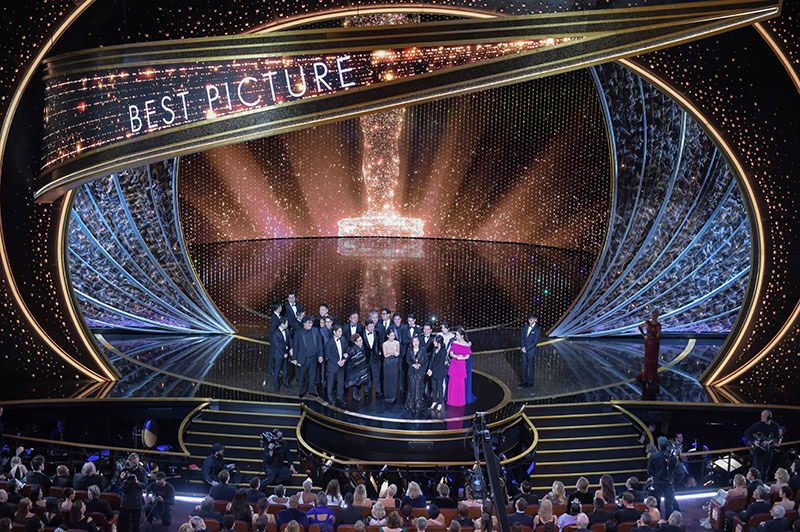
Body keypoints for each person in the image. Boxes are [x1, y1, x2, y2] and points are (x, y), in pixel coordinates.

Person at [745, 410, 781, 481]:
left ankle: (762, 485)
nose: (761, 417)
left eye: (763, 416)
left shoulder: (775, 425)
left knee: (765, 469)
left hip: (768, 450)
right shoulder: (758, 424)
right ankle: (754, 485)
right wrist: (754, 441)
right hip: (758, 450)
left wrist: (770, 441)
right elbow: (747, 432)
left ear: (769, 417)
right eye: (761, 415)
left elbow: (777, 438)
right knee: (756, 469)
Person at [648, 437, 679, 517]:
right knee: (669, 503)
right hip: (669, 482)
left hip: (658, 482)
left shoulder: (654, 456)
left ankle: (657, 518)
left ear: (658, 445)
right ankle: (668, 520)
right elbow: (674, 468)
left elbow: (649, 470)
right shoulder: (671, 456)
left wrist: (655, 475)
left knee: (656, 502)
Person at [293, 316, 322, 398]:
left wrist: (320, 355)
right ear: (304, 324)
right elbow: (296, 346)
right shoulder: (298, 333)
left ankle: (312, 391)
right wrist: (294, 358)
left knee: (312, 375)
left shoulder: (316, 330)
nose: (311, 324)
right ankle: (302, 391)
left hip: (313, 358)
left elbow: (320, 344)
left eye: (311, 323)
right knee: (302, 376)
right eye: (309, 323)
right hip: (303, 358)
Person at [637, 310, 661, 398]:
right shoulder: (647, 323)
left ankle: (652, 376)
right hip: (649, 342)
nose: (654, 316)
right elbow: (639, 327)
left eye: (656, 314)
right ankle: (647, 376)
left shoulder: (658, 325)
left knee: (654, 360)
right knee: (647, 359)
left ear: (657, 316)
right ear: (651, 315)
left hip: (655, 343)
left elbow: (658, 335)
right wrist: (644, 335)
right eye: (653, 314)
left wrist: (656, 335)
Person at [119, 453, 147, 532]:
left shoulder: (142, 471)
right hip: (126, 500)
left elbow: (145, 485)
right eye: (133, 462)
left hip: (137, 501)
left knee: (136, 523)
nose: (135, 464)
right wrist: (122, 479)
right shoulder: (125, 470)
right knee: (126, 523)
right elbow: (120, 486)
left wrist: (137, 482)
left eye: (136, 462)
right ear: (129, 461)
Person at [446, 328, 471, 407]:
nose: (455, 336)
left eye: (457, 335)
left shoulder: (467, 345)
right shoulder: (454, 343)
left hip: (461, 365)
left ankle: (459, 402)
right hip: (454, 364)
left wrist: (462, 358)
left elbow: (467, 356)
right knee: (452, 382)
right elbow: (451, 353)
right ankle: (451, 401)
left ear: (462, 336)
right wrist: (456, 356)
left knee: (460, 383)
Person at [324, 325, 348, 405]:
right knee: (331, 383)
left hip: (342, 365)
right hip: (333, 365)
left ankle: (339, 398)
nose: (341, 333)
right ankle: (330, 398)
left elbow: (346, 350)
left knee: (341, 383)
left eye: (341, 331)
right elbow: (328, 354)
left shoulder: (343, 339)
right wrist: (337, 361)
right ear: (334, 332)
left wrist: (344, 360)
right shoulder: (329, 342)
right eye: (339, 331)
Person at [405, 337, 430, 413]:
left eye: (417, 341)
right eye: (414, 341)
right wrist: (412, 365)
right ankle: (411, 404)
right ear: (412, 343)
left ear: (419, 342)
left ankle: (418, 404)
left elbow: (426, 360)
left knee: (419, 387)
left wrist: (420, 365)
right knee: (412, 387)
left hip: (420, 371)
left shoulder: (423, 350)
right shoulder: (409, 350)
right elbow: (407, 360)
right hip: (411, 371)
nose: (415, 343)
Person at [347, 333, 371, 402]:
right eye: (359, 341)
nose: (361, 341)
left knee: (365, 379)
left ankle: (366, 392)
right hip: (355, 368)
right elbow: (350, 358)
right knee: (356, 382)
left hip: (363, 366)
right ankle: (355, 395)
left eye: (361, 340)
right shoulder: (353, 349)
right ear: (355, 342)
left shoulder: (363, 346)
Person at [270, 317, 291, 392]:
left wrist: (291, 348)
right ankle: (276, 386)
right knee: (277, 370)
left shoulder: (287, 331)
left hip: (286, 353)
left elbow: (289, 340)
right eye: (286, 323)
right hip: (279, 355)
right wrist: (284, 353)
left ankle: (285, 382)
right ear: (282, 324)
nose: (288, 325)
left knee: (285, 368)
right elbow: (277, 345)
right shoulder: (275, 333)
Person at [428, 336, 448, 412]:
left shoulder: (443, 351)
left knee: (440, 388)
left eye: (435, 341)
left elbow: (439, 363)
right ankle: (434, 401)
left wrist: (432, 370)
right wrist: (429, 369)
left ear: (439, 342)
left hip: (439, 372)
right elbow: (431, 361)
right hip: (433, 371)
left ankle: (440, 403)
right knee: (434, 388)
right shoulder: (434, 349)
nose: (433, 343)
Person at [364, 320, 383, 399]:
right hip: (365, 358)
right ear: (366, 326)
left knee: (376, 375)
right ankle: (366, 391)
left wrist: (379, 352)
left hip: (375, 357)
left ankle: (378, 391)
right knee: (366, 375)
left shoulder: (377, 332)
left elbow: (379, 343)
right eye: (370, 326)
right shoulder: (361, 333)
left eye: (373, 326)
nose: (372, 328)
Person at [519, 313, 540, 388]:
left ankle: (530, 382)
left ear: (535, 320)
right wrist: (522, 347)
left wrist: (526, 348)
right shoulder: (525, 326)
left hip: (530, 351)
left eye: (531, 319)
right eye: (529, 319)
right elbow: (522, 338)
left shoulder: (537, 329)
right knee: (523, 366)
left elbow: (535, 342)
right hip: (523, 349)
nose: (530, 321)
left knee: (530, 366)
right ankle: (524, 381)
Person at [382, 330, 402, 404]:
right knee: (387, 379)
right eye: (391, 336)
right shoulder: (384, 344)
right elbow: (385, 355)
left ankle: (393, 396)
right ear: (387, 336)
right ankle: (387, 396)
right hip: (387, 362)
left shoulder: (397, 343)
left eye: (393, 335)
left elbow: (398, 353)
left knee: (394, 379)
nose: (392, 337)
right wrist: (392, 352)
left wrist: (393, 353)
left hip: (395, 362)